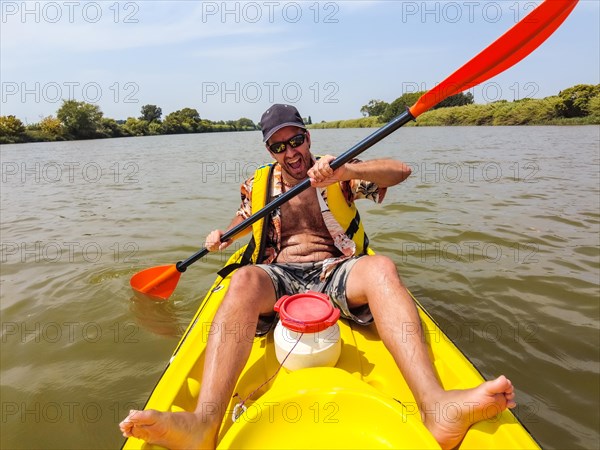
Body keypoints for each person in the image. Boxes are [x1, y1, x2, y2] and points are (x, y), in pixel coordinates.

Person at [120, 104, 516, 450]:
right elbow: (244, 220)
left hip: (336, 268)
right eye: (279, 146)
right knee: (241, 281)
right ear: (269, 150)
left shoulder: (338, 171)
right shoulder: (257, 184)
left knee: (382, 268)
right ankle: (204, 424)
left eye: (296, 141)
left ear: (307, 137)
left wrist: (347, 168)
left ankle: (437, 405)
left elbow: (400, 171)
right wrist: (222, 236)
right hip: (280, 272)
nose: (291, 153)